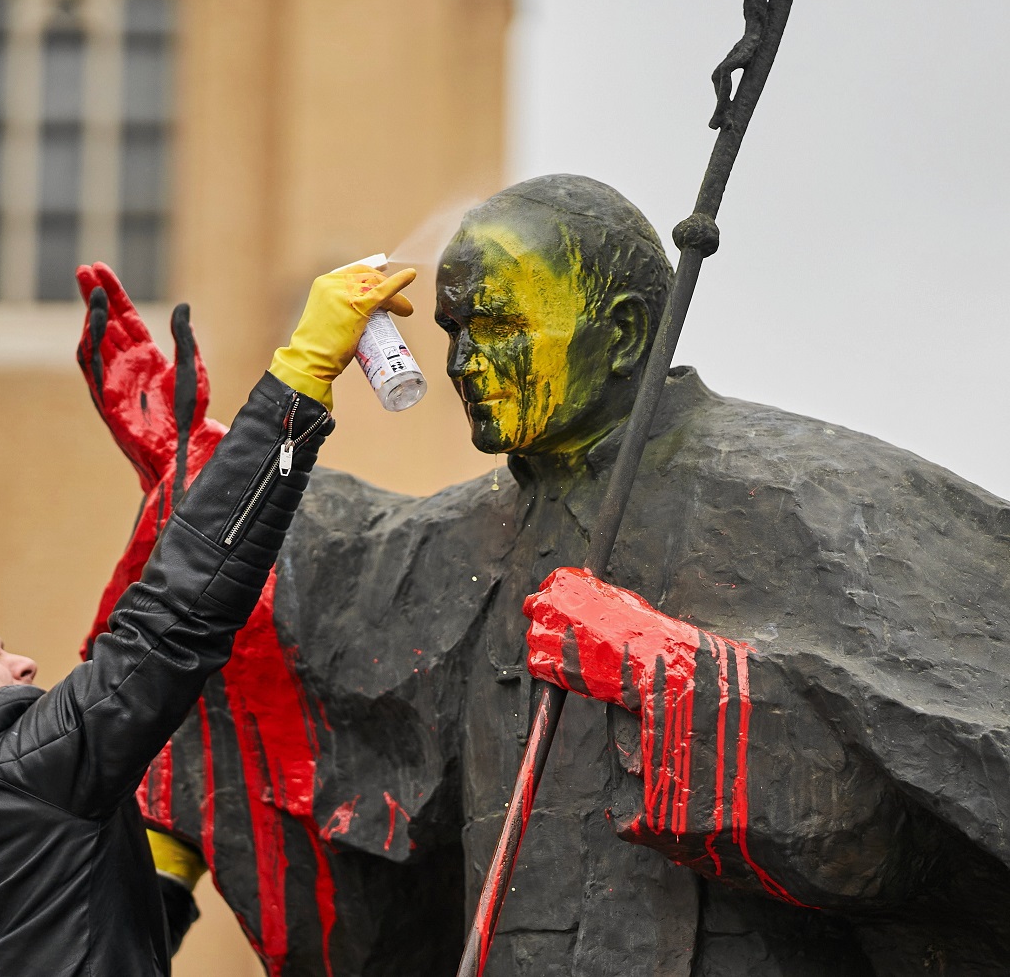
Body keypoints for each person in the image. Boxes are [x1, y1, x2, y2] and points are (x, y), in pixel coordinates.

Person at [79, 176, 1010, 976]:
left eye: (496, 326)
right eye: (451, 331)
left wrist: (689, 686)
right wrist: (209, 482)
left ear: (625, 330)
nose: (462, 363)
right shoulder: (464, 534)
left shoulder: (818, 493)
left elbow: (957, 794)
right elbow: (297, 600)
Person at [0, 262, 416, 977]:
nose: (22, 664)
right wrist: (299, 378)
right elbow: (171, 619)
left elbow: (67, 934)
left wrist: (161, 862)